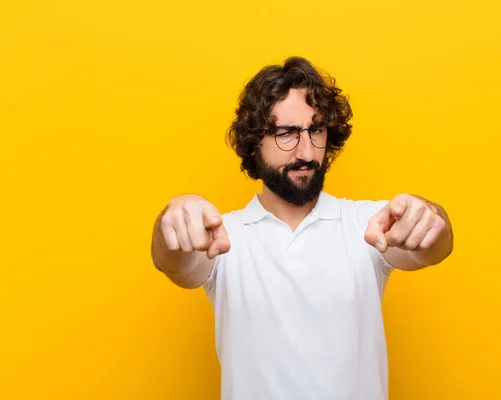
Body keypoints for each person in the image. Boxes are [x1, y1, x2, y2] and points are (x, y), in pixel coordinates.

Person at [151, 56, 454, 400]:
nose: (307, 151)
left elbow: (434, 247)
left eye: (316, 130)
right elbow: (173, 262)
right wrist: (174, 219)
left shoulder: (366, 226)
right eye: (286, 133)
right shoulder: (224, 236)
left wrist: (428, 217)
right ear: (254, 143)